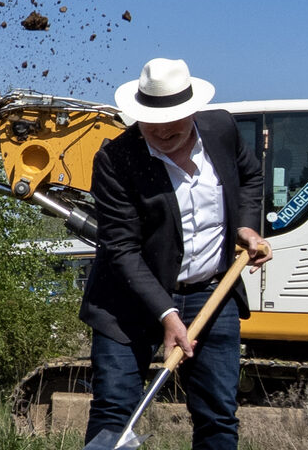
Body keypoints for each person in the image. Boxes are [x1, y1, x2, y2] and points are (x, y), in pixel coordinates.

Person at [81, 58, 272, 450]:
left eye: (175, 120)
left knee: (218, 414)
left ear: (193, 111)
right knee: (114, 412)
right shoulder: (115, 160)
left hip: (212, 292)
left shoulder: (222, 130)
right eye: (153, 121)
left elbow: (250, 176)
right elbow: (121, 248)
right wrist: (167, 314)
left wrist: (247, 226)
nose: (164, 130)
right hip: (129, 302)